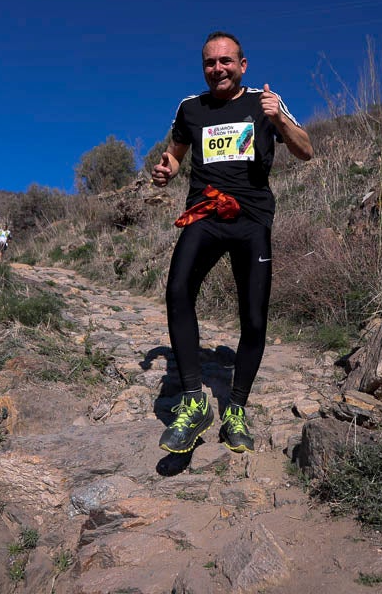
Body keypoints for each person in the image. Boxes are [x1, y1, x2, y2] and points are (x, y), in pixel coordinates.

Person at [150, 30, 313, 453]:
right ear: (203, 68)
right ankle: (192, 400)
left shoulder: (264, 103)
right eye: (209, 62)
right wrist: (166, 169)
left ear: (243, 65)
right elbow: (175, 153)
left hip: (251, 219)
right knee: (177, 290)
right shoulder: (190, 108)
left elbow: (306, 150)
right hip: (204, 213)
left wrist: (278, 119)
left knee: (254, 318)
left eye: (226, 61)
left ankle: (236, 408)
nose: (217, 69)